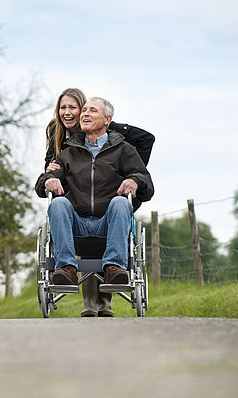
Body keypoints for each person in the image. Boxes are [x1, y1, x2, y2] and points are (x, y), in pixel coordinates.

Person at [35, 97, 154, 315]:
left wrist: (135, 181)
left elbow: (146, 183)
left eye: (93, 111)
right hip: (76, 224)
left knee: (119, 203)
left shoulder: (124, 150)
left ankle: (114, 268)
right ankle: (66, 269)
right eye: (85, 110)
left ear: (107, 119)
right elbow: (42, 182)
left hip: (107, 223)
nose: (85, 114)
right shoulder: (69, 152)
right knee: (59, 203)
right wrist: (48, 180)